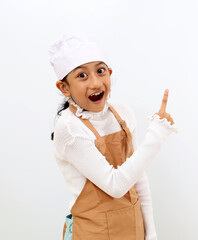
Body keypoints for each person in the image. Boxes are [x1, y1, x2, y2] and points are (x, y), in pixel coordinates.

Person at [48, 32, 178, 240]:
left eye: (100, 71)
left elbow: (138, 178)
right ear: (64, 87)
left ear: (109, 73)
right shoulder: (69, 129)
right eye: (82, 75)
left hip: (132, 228)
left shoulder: (123, 114)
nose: (95, 83)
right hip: (94, 233)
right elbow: (115, 186)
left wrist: (151, 233)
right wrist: (156, 136)